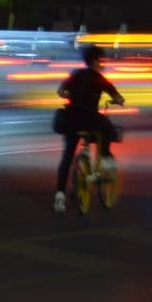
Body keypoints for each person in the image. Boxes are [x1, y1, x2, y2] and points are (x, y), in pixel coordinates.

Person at [54, 43, 123, 213]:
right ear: (95, 60)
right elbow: (117, 97)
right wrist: (117, 100)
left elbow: (61, 91)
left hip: (70, 119)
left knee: (67, 156)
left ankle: (60, 196)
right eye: (102, 60)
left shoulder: (75, 74)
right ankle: (105, 159)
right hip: (89, 120)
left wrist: (70, 95)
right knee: (106, 127)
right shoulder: (100, 78)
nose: (103, 63)